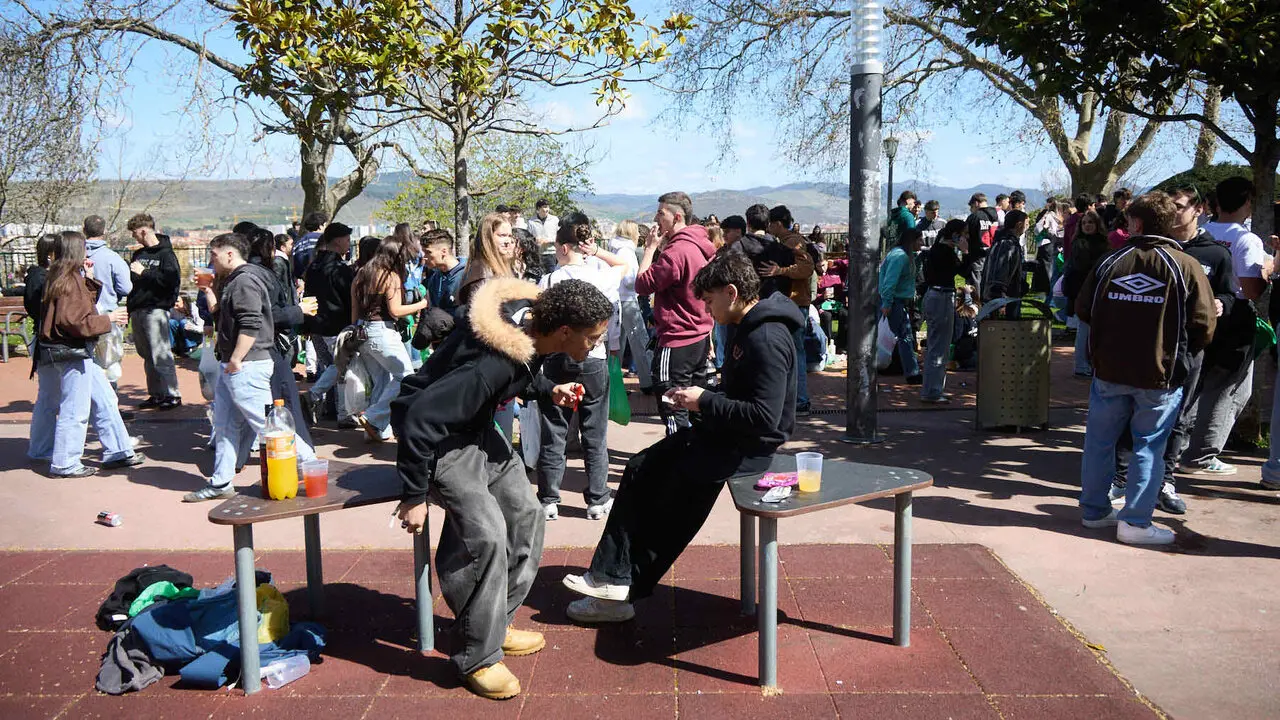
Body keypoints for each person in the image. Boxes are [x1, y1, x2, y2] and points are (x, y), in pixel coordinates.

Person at [391, 277, 613, 700]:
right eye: (593, 337)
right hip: (440, 440)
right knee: (488, 536)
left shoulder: (529, 341)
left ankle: (496, 621)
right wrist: (414, 496)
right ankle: (477, 655)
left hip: (474, 430)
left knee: (526, 516)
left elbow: (522, 374)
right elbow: (420, 419)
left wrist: (551, 389)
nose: (596, 345)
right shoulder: (493, 361)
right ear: (564, 332)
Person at [560, 252, 803, 623]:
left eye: (708, 301)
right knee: (641, 468)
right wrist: (705, 396)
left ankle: (619, 588)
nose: (705, 310)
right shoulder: (751, 327)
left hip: (746, 448)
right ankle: (611, 579)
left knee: (670, 507)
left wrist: (704, 400)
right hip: (727, 435)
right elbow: (748, 396)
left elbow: (765, 417)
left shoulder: (765, 337)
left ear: (732, 292)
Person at [1076, 192, 1215, 546]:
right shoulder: (1184, 265)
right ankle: (1135, 522)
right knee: (1149, 446)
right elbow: (1204, 323)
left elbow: (1083, 308)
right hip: (1159, 375)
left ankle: (1094, 511)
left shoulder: (1111, 261)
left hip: (1109, 371)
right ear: (1169, 223)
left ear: (1135, 223)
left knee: (1099, 443)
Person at [1111, 185, 1236, 515]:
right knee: (1130, 413)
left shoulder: (1214, 254)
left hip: (1188, 351)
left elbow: (1230, 294)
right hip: (1144, 348)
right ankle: (1122, 480)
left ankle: (1165, 480)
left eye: (1180, 206)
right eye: (1170, 206)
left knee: (1178, 417)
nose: (1174, 212)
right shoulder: (1148, 251)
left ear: (1198, 209)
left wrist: (1221, 304)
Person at [185, 232, 317, 502]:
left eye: (214, 254)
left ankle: (311, 465)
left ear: (230, 254)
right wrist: (209, 291)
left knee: (269, 427)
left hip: (245, 364)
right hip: (238, 364)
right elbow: (227, 318)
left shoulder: (243, 281)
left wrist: (236, 359)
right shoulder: (240, 280)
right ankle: (221, 481)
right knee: (225, 425)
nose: (212, 260)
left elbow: (251, 323)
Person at [1183, 177, 1274, 476]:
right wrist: (1270, 269)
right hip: (1234, 316)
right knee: (1229, 389)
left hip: (1200, 314)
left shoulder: (1203, 233)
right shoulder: (1247, 239)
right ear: (1247, 202)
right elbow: (1250, 289)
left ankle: (1182, 444)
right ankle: (1202, 454)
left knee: (1197, 383)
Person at [537, 224, 627, 521]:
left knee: (554, 432)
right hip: (593, 358)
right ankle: (598, 499)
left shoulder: (547, 280)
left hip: (556, 359)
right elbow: (624, 266)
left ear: (563, 247)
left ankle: (549, 499)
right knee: (595, 432)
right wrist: (597, 250)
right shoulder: (600, 276)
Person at [36, 231, 144, 477]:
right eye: (84, 248)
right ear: (77, 250)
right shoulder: (69, 279)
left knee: (104, 398)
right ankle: (65, 463)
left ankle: (118, 450)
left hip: (72, 350)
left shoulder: (63, 275)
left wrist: (90, 278)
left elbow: (79, 308)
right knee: (75, 409)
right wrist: (108, 319)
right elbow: (75, 320)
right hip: (73, 350)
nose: (88, 252)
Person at [637, 191, 716, 435]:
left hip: (677, 337)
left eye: (661, 213)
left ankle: (677, 459)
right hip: (700, 333)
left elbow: (642, 285)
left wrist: (650, 250)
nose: (656, 218)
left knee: (672, 402)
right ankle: (699, 458)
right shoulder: (701, 245)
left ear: (677, 216)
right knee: (695, 400)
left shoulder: (677, 251)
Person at [350, 236, 430, 442]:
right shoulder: (390, 276)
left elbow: (354, 310)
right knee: (406, 377)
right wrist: (422, 304)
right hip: (382, 331)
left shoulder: (362, 273)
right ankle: (373, 417)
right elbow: (395, 311)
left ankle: (377, 430)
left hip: (363, 332)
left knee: (381, 381)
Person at [124, 213, 184, 411]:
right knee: (147, 354)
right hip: (139, 308)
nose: (134, 238)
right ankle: (157, 393)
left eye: (135, 233)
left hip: (156, 309)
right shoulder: (139, 254)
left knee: (160, 353)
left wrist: (145, 273)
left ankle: (172, 394)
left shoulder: (166, 254)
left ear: (143, 231)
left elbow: (171, 281)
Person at [299, 223, 356, 426]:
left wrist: (306, 325)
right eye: (347, 240)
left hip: (316, 325)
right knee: (341, 367)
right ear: (339, 241)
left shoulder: (313, 266)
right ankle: (326, 403)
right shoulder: (339, 269)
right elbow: (350, 299)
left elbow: (307, 296)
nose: (348, 244)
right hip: (336, 326)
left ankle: (336, 410)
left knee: (332, 366)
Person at [765, 205, 817, 413]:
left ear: (778, 224)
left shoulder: (794, 242)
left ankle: (801, 400)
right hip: (792, 303)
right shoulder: (786, 242)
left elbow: (806, 268)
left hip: (796, 304)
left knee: (796, 353)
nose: (768, 228)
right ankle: (795, 399)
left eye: (771, 224)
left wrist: (781, 270)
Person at [920, 219, 967, 402]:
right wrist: (965, 252)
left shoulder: (937, 250)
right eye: (965, 234)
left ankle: (934, 387)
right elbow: (963, 270)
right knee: (939, 346)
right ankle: (932, 391)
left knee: (935, 344)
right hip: (942, 296)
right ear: (956, 235)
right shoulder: (945, 252)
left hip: (934, 295)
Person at [1062, 210, 1110, 376]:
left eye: (1090, 222)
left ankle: (1091, 362)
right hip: (1083, 290)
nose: (1087, 226)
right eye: (1084, 223)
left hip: (1100, 289)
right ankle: (1081, 364)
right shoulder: (1079, 243)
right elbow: (1078, 269)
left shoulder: (1104, 243)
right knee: (1084, 328)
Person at [608, 219, 652, 391]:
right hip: (627, 300)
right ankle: (648, 381)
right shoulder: (627, 251)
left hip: (615, 299)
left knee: (616, 343)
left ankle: (613, 383)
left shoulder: (613, 248)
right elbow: (629, 280)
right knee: (640, 340)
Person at [879, 227, 923, 384]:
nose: (922, 243)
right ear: (911, 241)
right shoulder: (900, 257)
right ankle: (911, 372)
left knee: (903, 337)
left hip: (896, 301)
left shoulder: (899, 254)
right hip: (894, 302)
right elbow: (890, 282)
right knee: (904, 337)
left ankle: (911, 371)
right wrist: (887, 302)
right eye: (919, 239)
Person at [458, 213, 519, 306]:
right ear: (487, 238)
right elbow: (483, 315)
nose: (508, 241)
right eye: (502, 235)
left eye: (509, 236)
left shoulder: (500, 266)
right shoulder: (481, 271)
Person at [981, 209, 1028, 302]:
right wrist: (1000, 295)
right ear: (1019, 225)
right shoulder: (1006, 244)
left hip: (1009, 295)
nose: (1028, 227)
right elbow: (1000, 270)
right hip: (1003, 297)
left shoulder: (1008, 242)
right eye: (1026, 224)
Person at [424, 229, 467, 319]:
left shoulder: (467, 275)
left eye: (428, 252)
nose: (425, 257)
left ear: (444, 251)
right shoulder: (434, 279)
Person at [963, 193, 999, 288]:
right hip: (991, 253)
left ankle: (976, 301)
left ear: (976, 203)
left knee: (975, 283)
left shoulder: (974, 216)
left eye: (971, 207)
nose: (971, 209)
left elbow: (965, 234)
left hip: (976, 255)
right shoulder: (995, 216)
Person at [291, 211, 328, 279]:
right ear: (320, 226)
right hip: (319, 280)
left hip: (301, 282)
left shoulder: (298, 243)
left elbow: (293, 264)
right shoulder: (323, 240)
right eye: (325, 225)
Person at [527, 199, 560, 275]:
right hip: (537, 253)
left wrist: (548, 240)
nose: (546, 209)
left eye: (547, 207)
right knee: (538, 276)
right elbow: (528, 238)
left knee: (551, 275)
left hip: (551, 253)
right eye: (544, 207)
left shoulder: (555, 220)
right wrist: (535, 239)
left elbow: (560, 236)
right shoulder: (531, 221)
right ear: (538, 209)